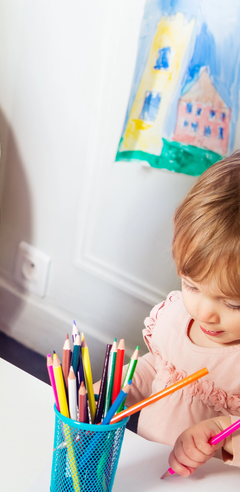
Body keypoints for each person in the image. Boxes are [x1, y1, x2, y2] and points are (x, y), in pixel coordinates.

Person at [122, 153, 240, 477]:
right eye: (192, 285)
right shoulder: (175, 318)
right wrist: (119, 386)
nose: (204, 312)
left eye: (233, 304)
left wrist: (223, 432)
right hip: (147, 468)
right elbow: (160, 370)